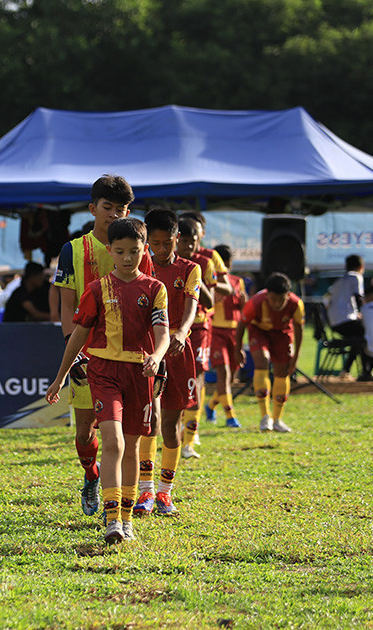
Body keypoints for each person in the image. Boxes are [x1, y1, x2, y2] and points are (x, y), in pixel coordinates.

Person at [45, 218, 169, 544]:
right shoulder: (97, 289)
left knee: (132, 446)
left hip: (140, 374)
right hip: (103, 373)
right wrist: (60, 377)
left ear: (144, 251)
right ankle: (113, 519)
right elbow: (77, 336)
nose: (127, 258)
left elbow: (163, 332)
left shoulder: (155, 289)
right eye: (120, 251)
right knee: (113, 442)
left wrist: (157, 356)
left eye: (134, 251)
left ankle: (127, 519)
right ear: (110, 251)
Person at [52, 174, 153, 517]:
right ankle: (91, 475)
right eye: (107, 207)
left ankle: (124, 502)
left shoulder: (139, 249)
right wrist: (75, 352)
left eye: (120, 209)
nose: (113, 214)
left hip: (130, 358)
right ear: (92, 208)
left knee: (125, 435)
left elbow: (150, 300)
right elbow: (67, 306)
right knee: (85, 432)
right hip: (89, 356)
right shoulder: (73, 250)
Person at [134, 209, 200, 517]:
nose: (161, 249)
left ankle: (165, 491)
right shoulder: (140, 266)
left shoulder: (190, 269)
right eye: (155, 243)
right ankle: (145, 491)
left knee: (172, 426)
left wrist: (183, 332)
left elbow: (191, 305)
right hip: (148, 352)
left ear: (177, 238)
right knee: (149, 421)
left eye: (167, 243)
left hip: (177, 350)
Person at [235, 272, 305, 433]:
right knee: (262, 361)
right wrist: (238, 349)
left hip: (282, 333)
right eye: (273, 299)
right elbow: (241, 325)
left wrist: (296, 356)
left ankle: (277, 419)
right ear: (267, 295)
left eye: (281, 300)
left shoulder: (296, 304)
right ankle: (265, 416)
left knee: (282, 371)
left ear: (288, 295)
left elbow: (299, 328)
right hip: (259, 331)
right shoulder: (256, 302)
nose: (277, 304)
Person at [175, 218, 217, 459]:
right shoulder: (161, 262)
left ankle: (190, 439)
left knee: (196, 379)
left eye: (192, 241)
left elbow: (211, 300)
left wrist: (195, 279)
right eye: (184, 241)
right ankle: (173, 431)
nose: (189, 246)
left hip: (198, 327)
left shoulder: (203, 263)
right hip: (169, 328)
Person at [205, 245, 247, 428]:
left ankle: (210, 406)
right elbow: (205, 305)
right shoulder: (211, 281)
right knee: (223, 372)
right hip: (215, 330)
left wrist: (244, 303)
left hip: (234, 332)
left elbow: (242, 310)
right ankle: (230, 415)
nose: (226, 268)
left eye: (228, 264)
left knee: (230, 377)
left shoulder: (237, 281)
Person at [325, 254, 366, 377]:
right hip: (345, 321)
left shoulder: (339, 281)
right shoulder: (356, 277)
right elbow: (358, 298)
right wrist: (365, 313)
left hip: (334, 323)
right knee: (367, 333)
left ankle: (348, 370)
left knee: (358, 337)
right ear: (361, 267)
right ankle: (365, 370)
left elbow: (326, 300)